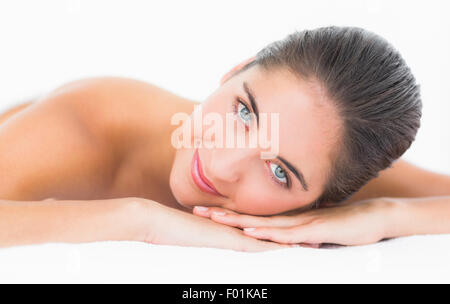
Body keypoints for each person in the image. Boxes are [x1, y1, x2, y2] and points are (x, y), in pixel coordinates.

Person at [0, 26, 448, 251]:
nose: (220, 165)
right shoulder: (93, 122)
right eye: (243, 111)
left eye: (278, 172)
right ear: (234, 70)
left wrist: (383, 216)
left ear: (322, 201)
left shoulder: (327, 149)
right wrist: (139, 220)